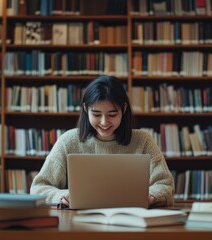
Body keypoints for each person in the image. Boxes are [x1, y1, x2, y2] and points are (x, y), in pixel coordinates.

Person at [30, 75, 174, 207]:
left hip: (130, 220)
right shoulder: (68, 141)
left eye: (112, 114)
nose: (104, 122)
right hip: (79, 223)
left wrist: (150, 197)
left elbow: (165, 185)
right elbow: (38, 188)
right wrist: (63, 196)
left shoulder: (143, 141)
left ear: (124, 109)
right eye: (96, 114)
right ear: (86, 109)